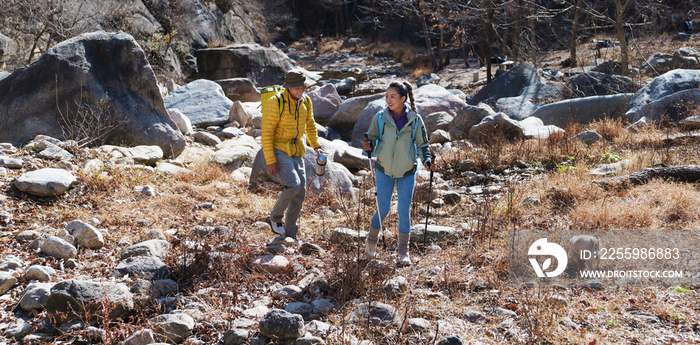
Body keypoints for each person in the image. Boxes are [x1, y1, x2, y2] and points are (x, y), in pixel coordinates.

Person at [363, 81, 436, 266]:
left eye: (392, 96)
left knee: (404, 210)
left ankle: (404, 253)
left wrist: (427, 161)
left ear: (403, 99)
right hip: (383, 169)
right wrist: (367, 145)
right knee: (384, 208)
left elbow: (423, 145)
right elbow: (370, 137)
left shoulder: (415, 120)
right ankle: (371, 241)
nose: (388, 100)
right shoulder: (379, 118)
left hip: (407, 171)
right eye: (386, 96)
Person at [262, 70, 324, 242]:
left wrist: (317, 146)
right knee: (293, 185)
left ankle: (290, 234)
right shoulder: (276, 102)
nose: (301, 90)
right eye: (296, 87)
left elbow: (310, 125)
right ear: (288, 87)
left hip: (298, 150)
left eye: (303, 86)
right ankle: (274, 218)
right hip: (279, 149)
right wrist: (270, 160)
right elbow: (267, 133)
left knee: (300, 193)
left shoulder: (306, 101)